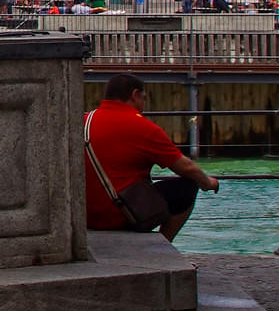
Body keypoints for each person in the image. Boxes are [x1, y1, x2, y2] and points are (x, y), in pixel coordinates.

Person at [85, 73, 219, 241]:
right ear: (135, 95)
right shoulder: (143, 127)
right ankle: (162, 247)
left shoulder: (84, 121)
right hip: (121, 215)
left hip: (84, 215)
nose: (144, 105)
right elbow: (186, 167)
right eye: (144, 98)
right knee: (188, 187)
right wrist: (208, 182)